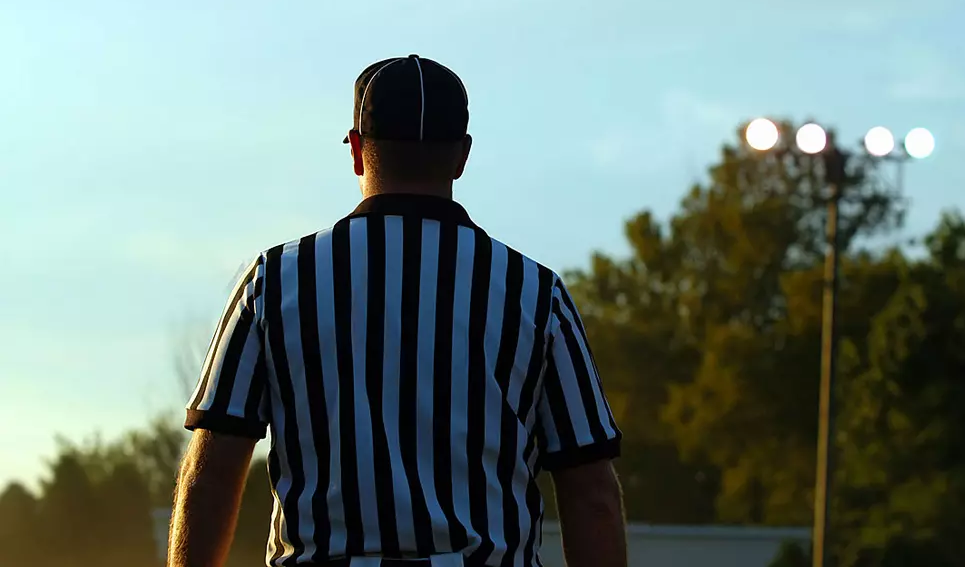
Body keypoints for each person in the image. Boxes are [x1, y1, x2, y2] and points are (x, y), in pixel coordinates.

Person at [168, 55, 627, 567]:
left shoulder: (275, 281)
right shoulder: (535, 294)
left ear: (358, 150)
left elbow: (210, 478)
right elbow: (593, 497)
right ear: (462, 157)